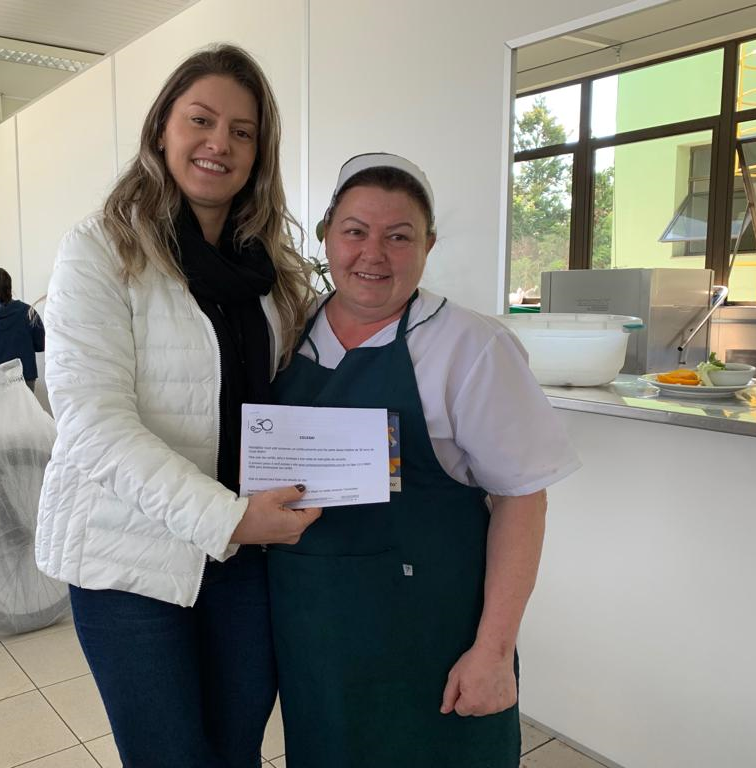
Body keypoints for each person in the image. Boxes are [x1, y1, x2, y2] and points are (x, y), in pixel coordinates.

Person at [35, 45, 321, 768]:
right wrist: (227, 518)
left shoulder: (274, 271)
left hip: (244, 557)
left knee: (236, 752)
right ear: (162, 126)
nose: (219, 142)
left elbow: (304, 388)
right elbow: (92, 424)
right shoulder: (100, 250)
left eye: (242, 131)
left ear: (259, 153)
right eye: (201, 119)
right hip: (128, 560)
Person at [267, 153, 581, 768]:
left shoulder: (471, 346)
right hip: (314, 634)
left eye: (399, 236)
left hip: (432, 636)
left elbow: (522, 499)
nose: (373, 254)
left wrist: (494, 651)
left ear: (429, 244)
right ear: (327, 235)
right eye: (355, 231)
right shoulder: (285, 332)